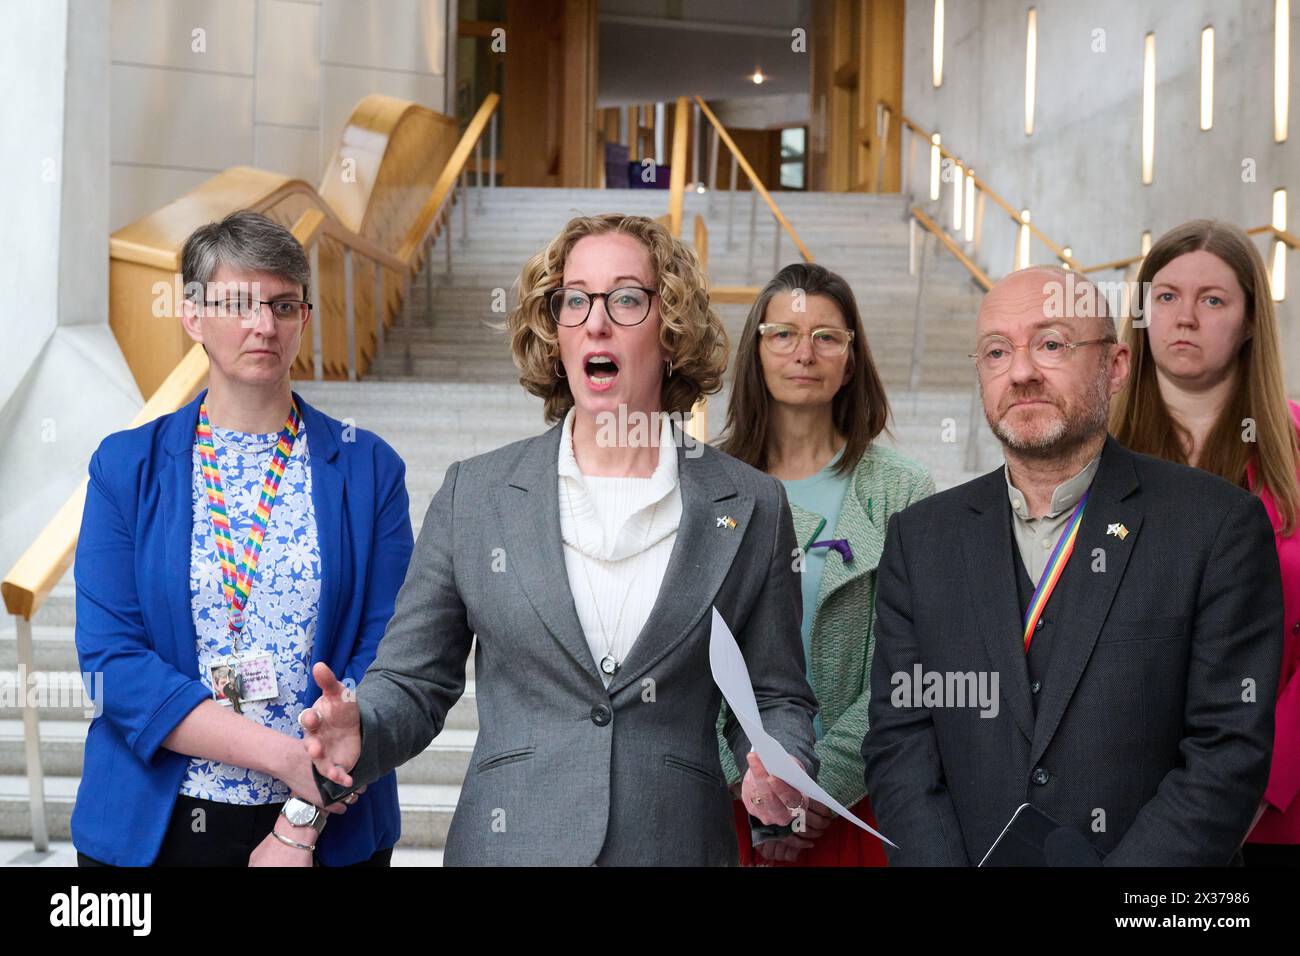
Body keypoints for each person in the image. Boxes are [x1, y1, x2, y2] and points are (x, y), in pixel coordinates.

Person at [300, 213, 820, 865]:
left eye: (626, 298)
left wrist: (778, 761)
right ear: (556, 333)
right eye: (575, 300)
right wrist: (363, 728)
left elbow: (776, 693)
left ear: (671, 330)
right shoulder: (476, 494)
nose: (595, 320)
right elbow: (412, 679)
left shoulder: (752, 504)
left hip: (676, 844)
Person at [862, 264, 1283, 865]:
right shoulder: (922, 538)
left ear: (1115, 368)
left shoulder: (1215, 527)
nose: (1023, 371)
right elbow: (901, 741)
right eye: (997, 351)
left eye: (1052, 344)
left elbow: (1228, 751)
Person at [71, 210, 411, 866]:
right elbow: (113, 660)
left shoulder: (369, 469)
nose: (264, 325)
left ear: (304, 318)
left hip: (327, 829)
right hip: (156, 827)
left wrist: (298, 821)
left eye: (284, 305)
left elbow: (391, 658)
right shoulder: (125, 467)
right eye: (238, 304)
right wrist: (287, 761)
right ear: (192, 316)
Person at [716, 262, 934, 865]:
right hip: (723, 803)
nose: (803, 353)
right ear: (755, 351)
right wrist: (754, 784)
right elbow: (679, 652)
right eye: (782, 333)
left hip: (855, 803)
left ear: (852, 358)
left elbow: (911, 666)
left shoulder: (902, 490)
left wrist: (819, 789)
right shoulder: (705, 485)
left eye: (826, 337)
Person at [1111, 220, 1300, 865]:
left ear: (1250, 321)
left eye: (1212, 300)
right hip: (1123, 794)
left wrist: (1257, 783)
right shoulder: (1089, 453)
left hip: (1275, 802)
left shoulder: (1296, 448)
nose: (1184, 317)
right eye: (1166, 297)